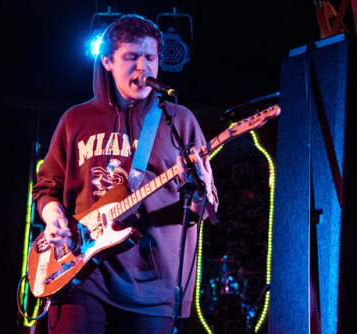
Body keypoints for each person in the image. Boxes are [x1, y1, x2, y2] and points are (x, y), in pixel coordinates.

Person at [32, 14, 218, 333]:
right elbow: (46, 188)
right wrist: (53, 219)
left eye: (150, 57)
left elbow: (201, 211)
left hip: (152, 287)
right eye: (131, 57)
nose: (143, 68)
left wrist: (200, 188)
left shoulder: (179, 121)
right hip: (80, 274)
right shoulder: (76, 119)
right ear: (107, 61)